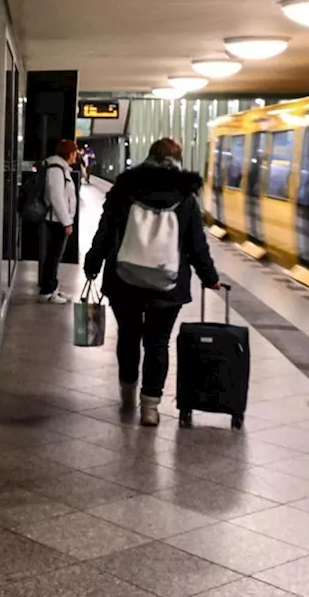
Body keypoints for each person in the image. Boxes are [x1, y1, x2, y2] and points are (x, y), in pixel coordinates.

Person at [84, 138, 221, 425]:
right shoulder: (186, 197)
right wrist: (210, 278)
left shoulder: (124, 189)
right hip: (168, 286)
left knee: (129, 337)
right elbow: (197, 244)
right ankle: (150, 407)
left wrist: (93, 263)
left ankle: (128, 394)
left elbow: (105, 231)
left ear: (148, 157)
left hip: (124, 281)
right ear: (178, 161)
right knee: (158, 343)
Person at [38, 139, 79, 304]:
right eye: (75, 152)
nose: (76, 155)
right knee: (53, 257)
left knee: (55, 256)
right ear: (70, 153)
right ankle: (47, 291)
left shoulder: (60, 168)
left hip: (58, 220)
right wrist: (66, 221)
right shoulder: (56, 169)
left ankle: (53, 288)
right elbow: (56, 197)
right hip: (56, 221)